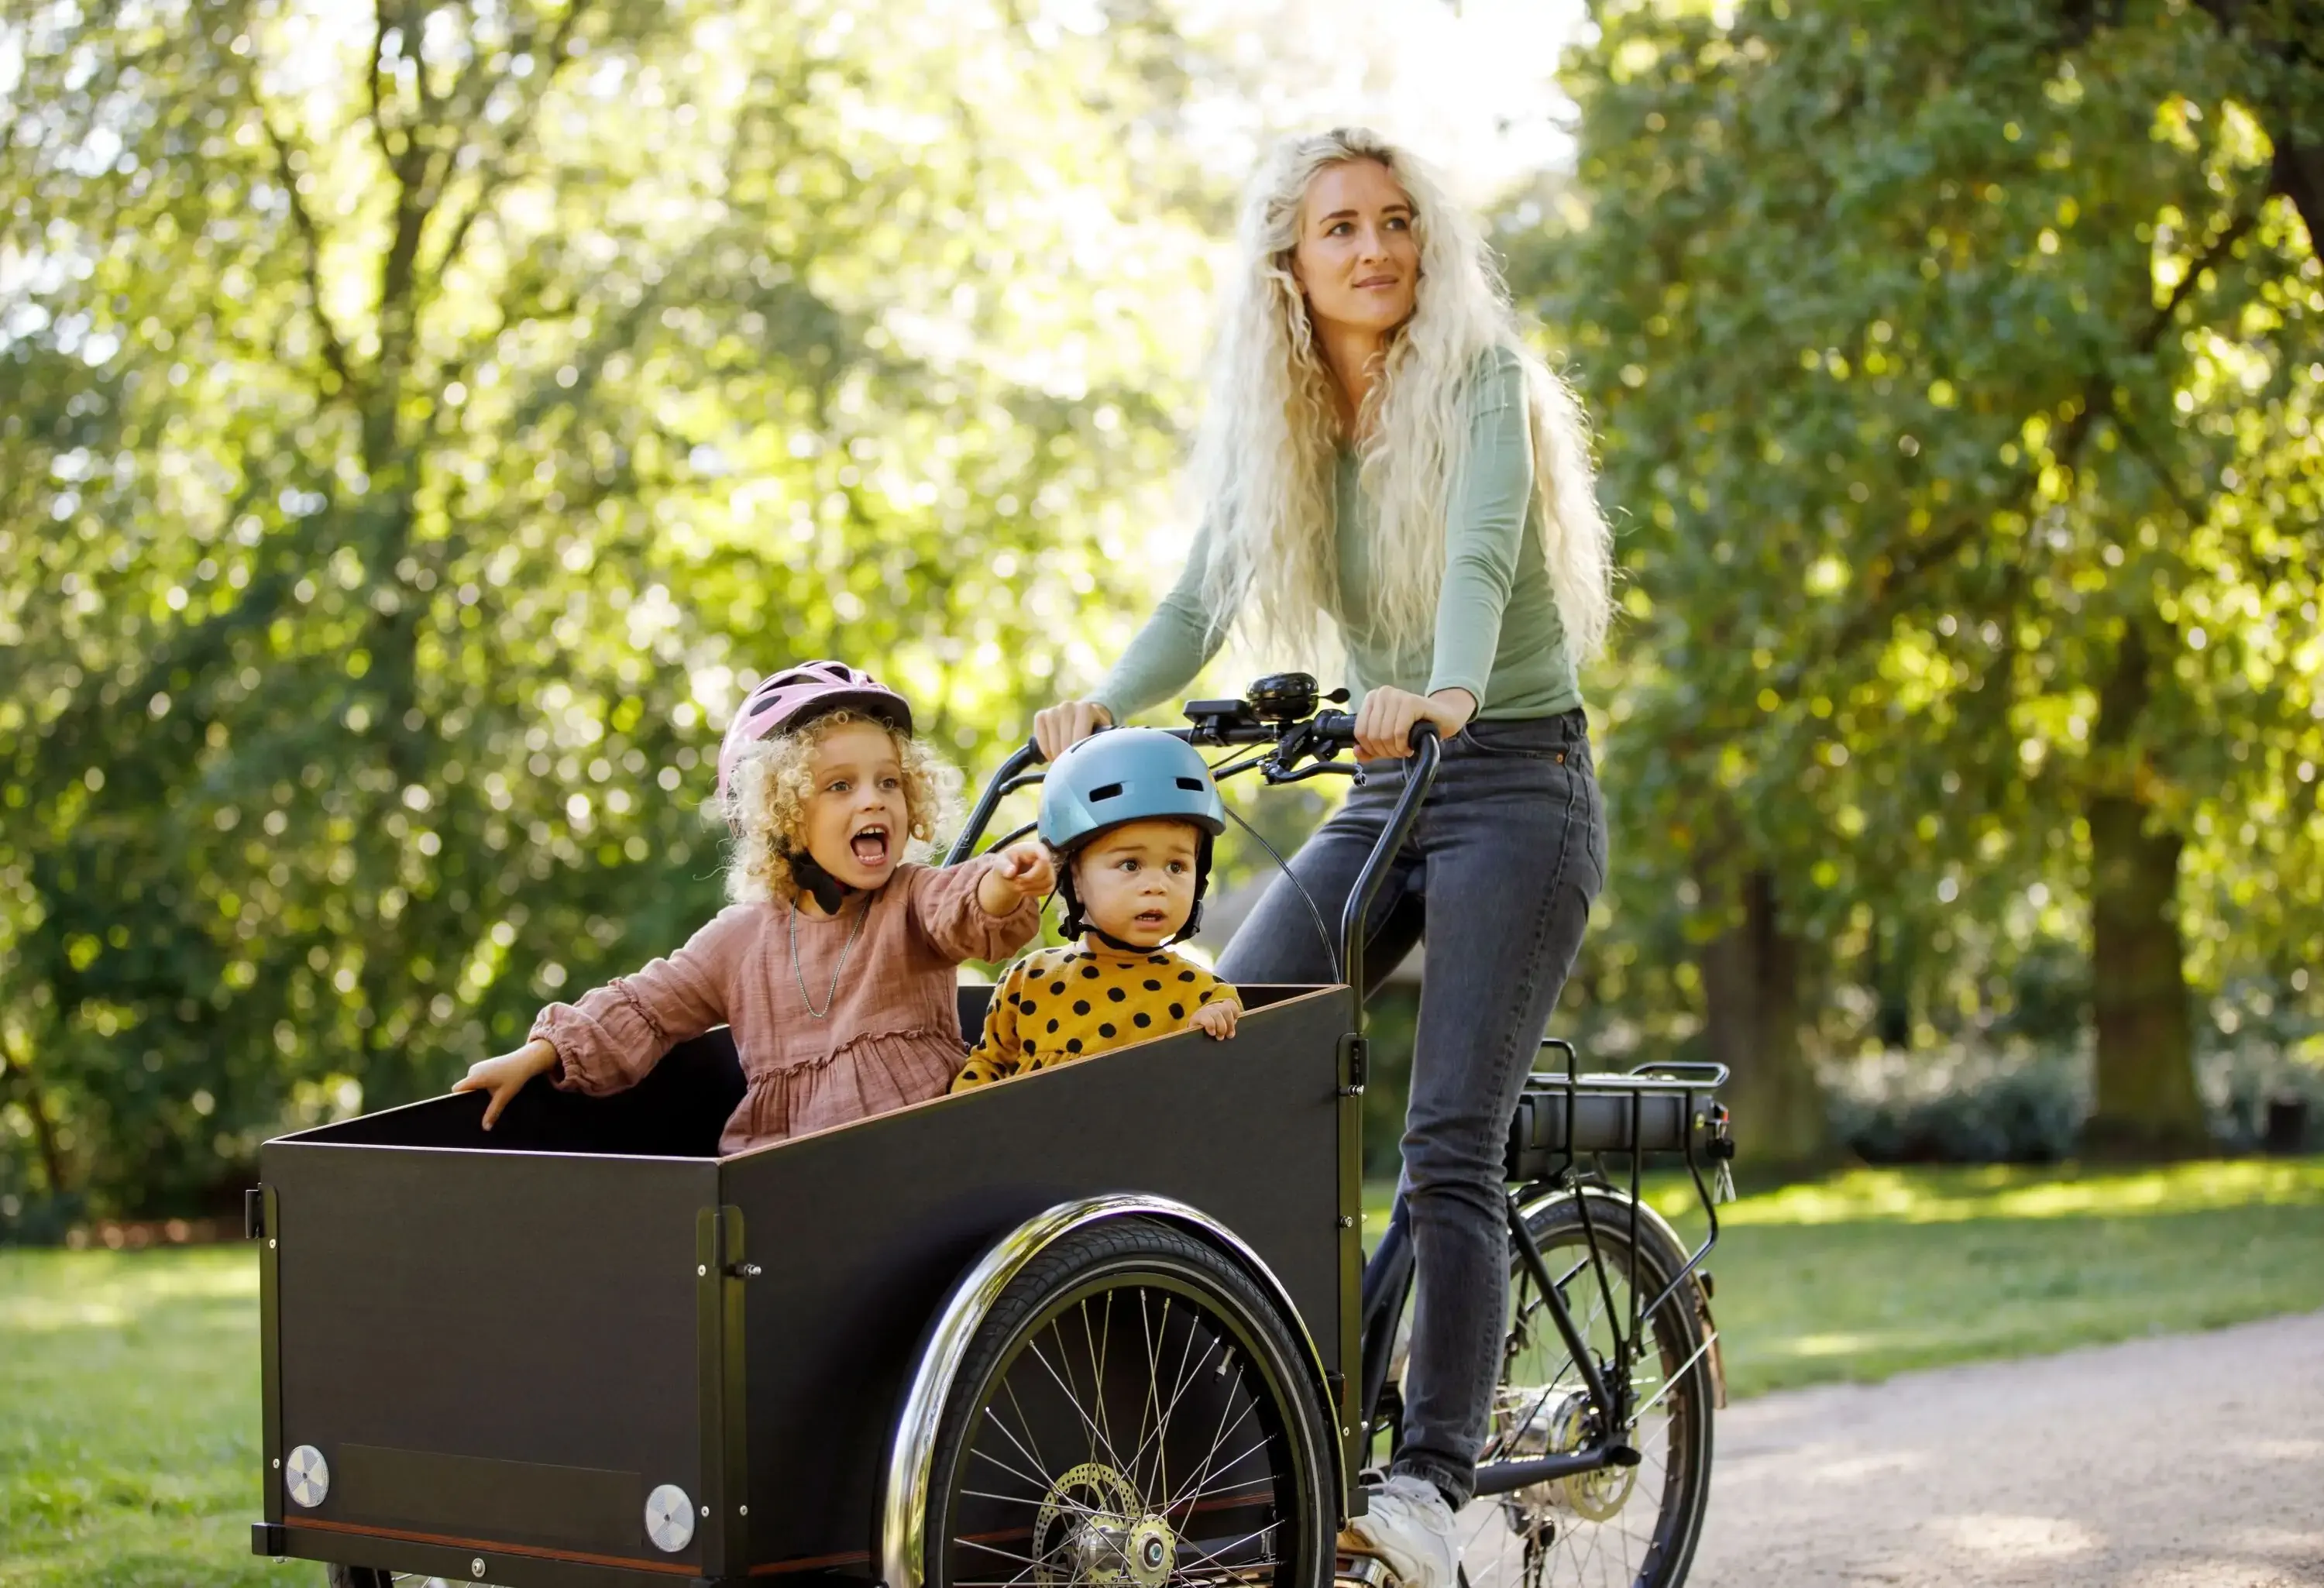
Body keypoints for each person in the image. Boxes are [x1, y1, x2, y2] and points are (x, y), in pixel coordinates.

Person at [1033, 128, 1614, 1588]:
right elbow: (1204, 591)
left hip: (1514, 777)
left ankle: (1427, 1484)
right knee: (1216, 1040)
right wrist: (1106, 700)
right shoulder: (1289, 418)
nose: (1376, 250)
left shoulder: (1478, 376)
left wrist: (1451, 690)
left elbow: (1482, 558)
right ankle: (1287, 1408)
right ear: (1288, 262)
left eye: (1397, 221)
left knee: (1443, 1143)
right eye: (1341, 228)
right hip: (1387, 780)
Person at [455, 661, 1054, 1152]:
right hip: (783, 1175)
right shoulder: (742, 940)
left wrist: (1002, 884)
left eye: (889, 782)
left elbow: (962, 906)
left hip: (915, 1149)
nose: (873, 800)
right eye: (840, 786)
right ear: (783, 815)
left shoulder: (911, 897)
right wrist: (538, 1054)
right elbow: (644, 1007)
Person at [953, 729, 1241, 1089]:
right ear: (1073, 878)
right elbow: (990, 1063)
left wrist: (1218, 1022)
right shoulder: (1030, 980)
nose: (1157, 884)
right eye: (1130, 865)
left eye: (1177, 866)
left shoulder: (1202, 993)